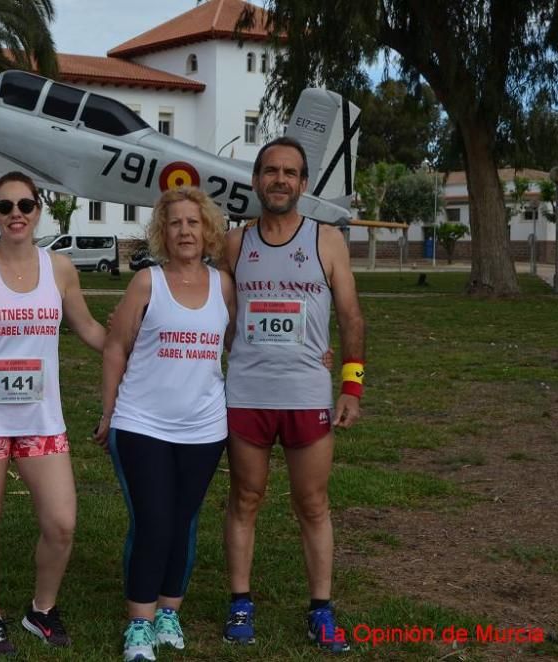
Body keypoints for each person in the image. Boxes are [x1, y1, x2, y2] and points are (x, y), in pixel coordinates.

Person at [0, 171, 106, 655]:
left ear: (38, 209)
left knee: (61, 522)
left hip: (40, 417)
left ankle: (41, 609)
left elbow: (90, 330)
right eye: (4, 206)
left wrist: (136, 346)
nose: (15, 214)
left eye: (25, 206)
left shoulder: (60, 269)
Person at [220, 136, 366, 653]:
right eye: (270, 171)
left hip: (307, 394)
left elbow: (349, 316)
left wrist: (351, 385)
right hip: (247, 395)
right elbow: (219, 317)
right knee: (246, 499)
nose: (279, 180)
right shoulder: (236, 244)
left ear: (303, 184)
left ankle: (321, 611)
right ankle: (240, 602)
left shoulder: (326, 240)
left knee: (313, 504)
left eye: (290, 173)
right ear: (256, 179)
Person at [93, 187, 234, 662]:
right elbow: (115, 347)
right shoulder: (146, 284)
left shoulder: (224, 285)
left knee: (182, 522)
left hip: (204, 427)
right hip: (142, 423)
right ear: (162, 232)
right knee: (153, 521)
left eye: (193, 222)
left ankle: (169, 611)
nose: (185, 231)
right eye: (175, 223)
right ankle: (139, 624)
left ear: (207, 228)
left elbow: (236, 343)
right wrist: (110, 410)